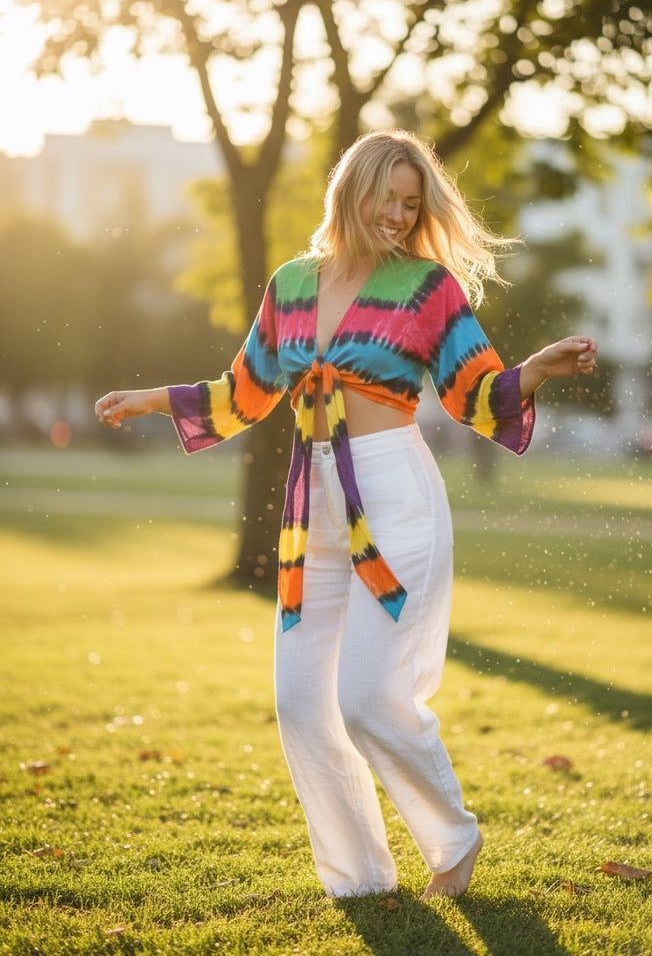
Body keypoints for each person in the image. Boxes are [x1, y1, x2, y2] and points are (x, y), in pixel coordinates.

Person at [95, 129, 596, 900]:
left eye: (410, 203)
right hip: (314, 505)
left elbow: (475, 393)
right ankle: (360, 876)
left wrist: (534, 371)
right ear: (349, 191)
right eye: (385, 198)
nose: (398, 215)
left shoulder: (429, 289)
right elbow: (245, 390)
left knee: (366, 699)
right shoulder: (292, 283)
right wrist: (152, 398)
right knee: (301, 703)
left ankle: (453, 839)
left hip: (395, 496)